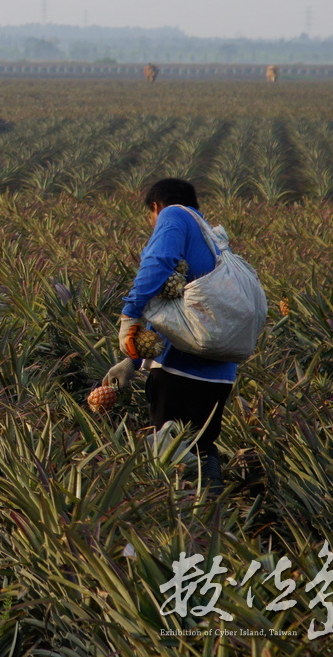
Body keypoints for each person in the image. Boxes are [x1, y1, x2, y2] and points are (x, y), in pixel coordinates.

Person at [103, 178, 238, 489]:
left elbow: (157, 263)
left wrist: (130, 313)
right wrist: (133, 362)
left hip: (181, 370)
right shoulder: (212, 239)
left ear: (155, 207)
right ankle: (214, 515)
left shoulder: (174, 215)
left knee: (172, 456)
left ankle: (183, 524)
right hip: (219, 372)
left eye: (152, 218)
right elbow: (178, 313)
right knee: (202, 446)